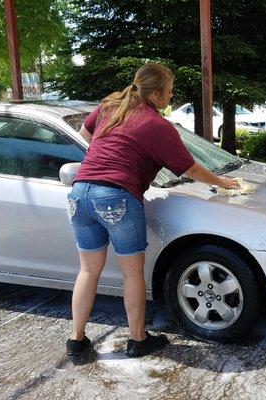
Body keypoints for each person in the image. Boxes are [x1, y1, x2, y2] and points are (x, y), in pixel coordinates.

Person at [65, 63, 240, 358]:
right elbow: (192, 168)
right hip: (116, 197)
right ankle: (137, 339)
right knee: (132, 274)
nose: (171, 96)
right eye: (169, 91)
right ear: (156, 93)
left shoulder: (109, 107)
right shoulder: (156, 125)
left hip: (79, 193)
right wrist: (223, 182)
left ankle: (76, 341)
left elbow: (85, 132)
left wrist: (109, 155)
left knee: (87, 269)